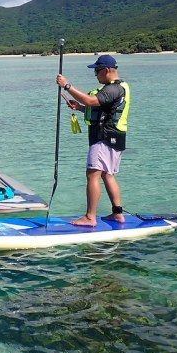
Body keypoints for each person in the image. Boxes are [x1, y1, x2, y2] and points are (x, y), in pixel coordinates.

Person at [56, 54, 131, 226]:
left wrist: (66, 86)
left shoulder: (113, 89)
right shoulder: (121, 87)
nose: (95, 75)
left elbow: (91, 100)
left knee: (93, 174)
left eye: (97, 71)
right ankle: (118, 214)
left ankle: (90, 217)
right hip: (115, 139)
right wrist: (80, 108)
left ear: (106, 70)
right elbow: (104, 110)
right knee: (108, 175)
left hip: (103, 138)